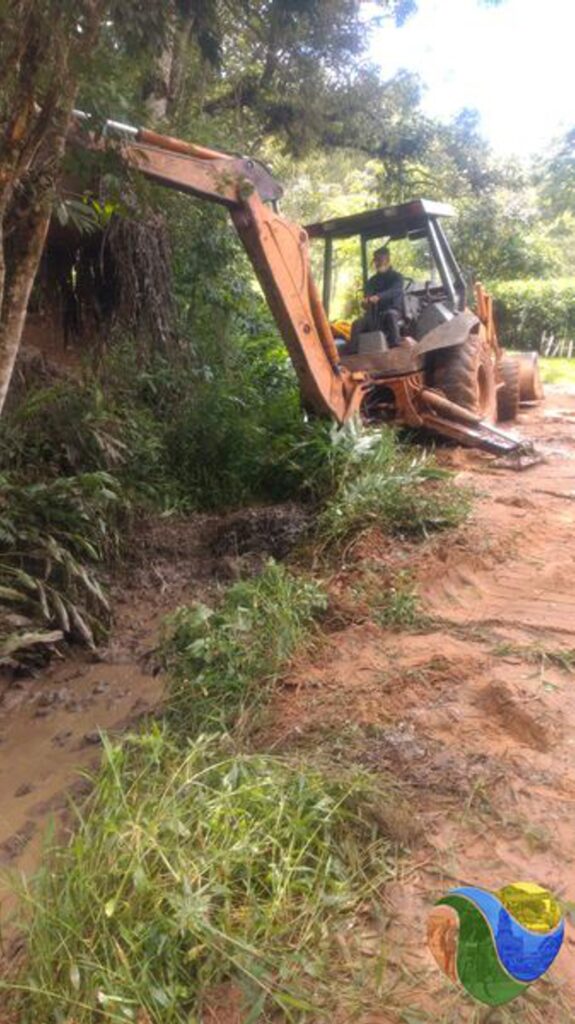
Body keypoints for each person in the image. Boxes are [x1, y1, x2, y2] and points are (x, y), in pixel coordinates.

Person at [349, 246, 405, 351]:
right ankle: (352, 353)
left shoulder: (397, 277)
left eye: (380, 259)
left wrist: (379, 297)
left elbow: (394, 291)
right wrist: (365, 302)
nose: (377, 263)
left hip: (393, 311)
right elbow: (367, 295)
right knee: (357, 324)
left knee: (390, 316)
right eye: (375, 260)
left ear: (387, 259)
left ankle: (395, 347)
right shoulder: (372, 281)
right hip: (374, 316)